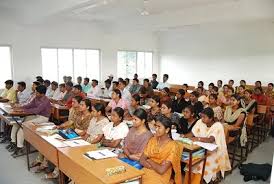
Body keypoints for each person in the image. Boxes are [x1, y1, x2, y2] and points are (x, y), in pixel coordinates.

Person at [185, 107, 231, 184]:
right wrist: (184, 136)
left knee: (201, 166)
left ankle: (197, 181)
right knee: (191, 164)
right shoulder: (200, 122)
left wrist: (197, 138)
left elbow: (210, 140)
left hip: (214, 152)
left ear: (211, 118)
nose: (202, 119)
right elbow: (192, 133)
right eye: (201, 116)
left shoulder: (218, 125)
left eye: (204, 117)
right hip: (201, 149)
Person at [8, 85, 51, 157]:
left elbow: (36, 110)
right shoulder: (36, 97)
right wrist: (19, 106)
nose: (35, 94)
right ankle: (13, 142)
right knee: (16, 123)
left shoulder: (46, 101)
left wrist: (22, 110)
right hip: (35, 115)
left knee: (23, 126)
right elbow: (29, 105)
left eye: (37, 93)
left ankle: (20, 147)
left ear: (42, 94)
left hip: (43, 118)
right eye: (35, 92)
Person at [140, 115, 183, 184]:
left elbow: (161, 170)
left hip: (161, 176)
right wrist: (154, 166)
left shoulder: (173, 146)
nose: (156, 129)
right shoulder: (152, 140)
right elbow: (142, 160)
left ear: (167, 130)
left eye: (159, 127)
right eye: (155, 126)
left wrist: (149, 160)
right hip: (147, 169)